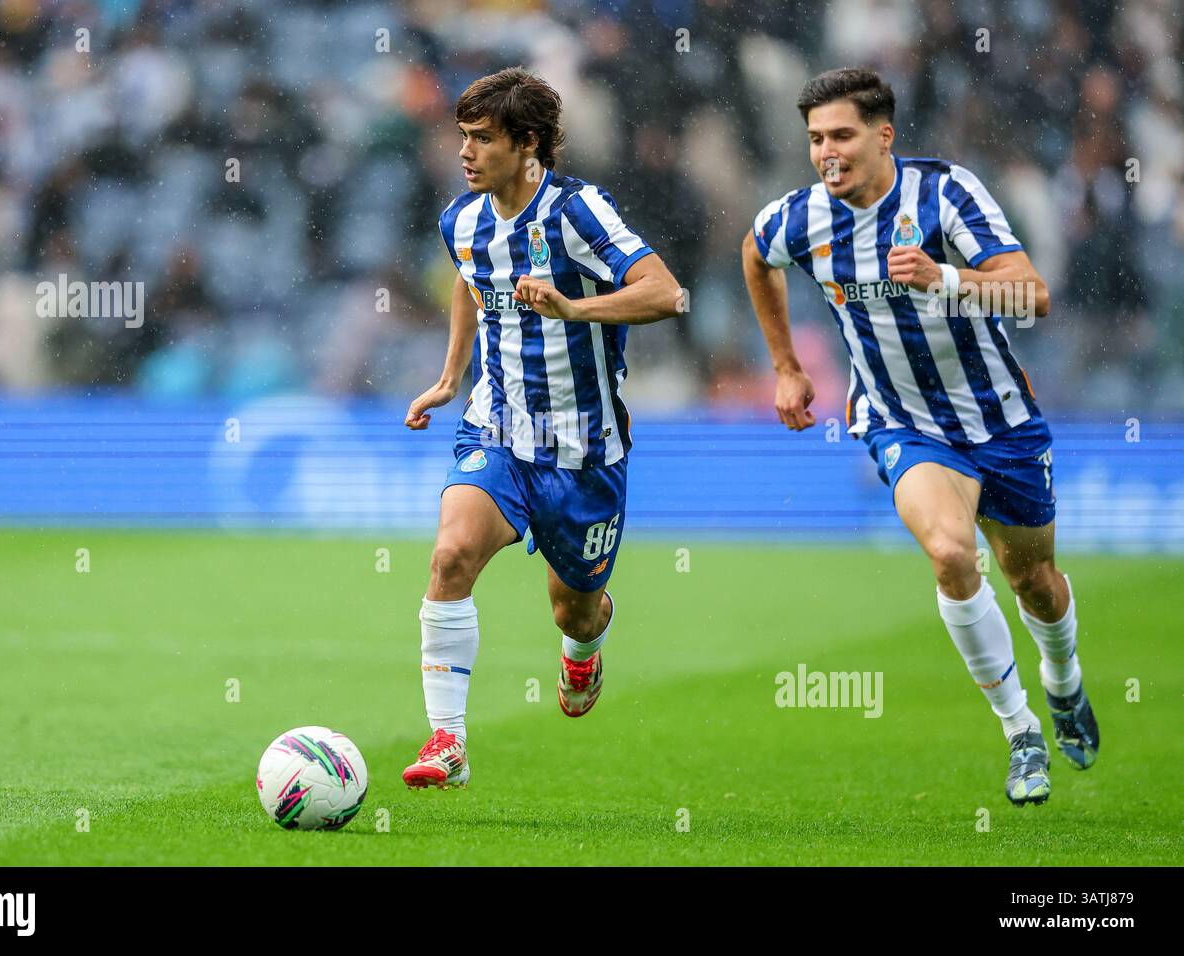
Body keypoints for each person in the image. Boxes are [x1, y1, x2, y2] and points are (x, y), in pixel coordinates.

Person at [742, 68, 1098, 805]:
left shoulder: (946, 194)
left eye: (841, 135)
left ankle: (1063, 681)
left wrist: (947, 279)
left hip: (999, 420)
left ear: (883, 135)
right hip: (901, 420)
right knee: (948, 551)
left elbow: (1032, 293)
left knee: (1035, 581)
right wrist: (785, 365)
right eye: (814, 139)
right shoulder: (802, 218)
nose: (826, 153)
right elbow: (755, 254)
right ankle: (1021, 729)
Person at [401, 67, 683, 789]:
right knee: (451, 555)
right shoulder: (460, 219)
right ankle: (447, 741)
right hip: (494, 427)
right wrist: (450, 375)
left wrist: (575, 309)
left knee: (576, 609)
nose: (464, 152)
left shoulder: (577, 212)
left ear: (528, 145)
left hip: (583, 450)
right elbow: (473, 282)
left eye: (482, 139)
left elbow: (665, 292)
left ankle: (584, 649)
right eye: (462, 137)